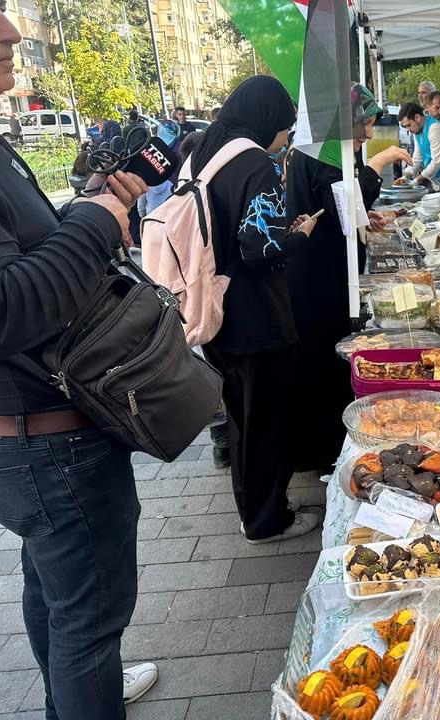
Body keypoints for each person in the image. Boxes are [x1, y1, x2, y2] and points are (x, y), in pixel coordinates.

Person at [0, 0, 159, 715]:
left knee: (56, 598)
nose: (10, 30)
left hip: (25, 441)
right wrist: (95, 221)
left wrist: (83, 211)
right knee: (88, 626)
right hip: (47, 448)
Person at [189, 76, 320, 544]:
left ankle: (253, 510)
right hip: (258, 319)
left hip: (218, 316)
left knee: (243, 421)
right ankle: (268, 519)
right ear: (267, 120)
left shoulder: (206, 156)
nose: (285, 140)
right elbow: (258, 249)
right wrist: (298, 235)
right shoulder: (255, 164)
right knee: (268, 424)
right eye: (285, 129)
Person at [285, 84, 412, 472]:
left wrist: (363, 217)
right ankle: (324, 452)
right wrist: (378, 165)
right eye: (366, 124)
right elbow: (338, 207)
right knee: (324, 360)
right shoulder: (324, 152)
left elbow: (345, 209)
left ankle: (321, 447)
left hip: (322, 269)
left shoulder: (324, 147)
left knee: (322, 360)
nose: (370, 134)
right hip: (319, 276)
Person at [399, 101, 440, 184]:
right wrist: (405, 177)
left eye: (409, 125)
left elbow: (437, 162)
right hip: (436, 179)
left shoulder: (435, 128)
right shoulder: (417, 131)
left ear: (417, 117)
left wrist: (416, 180)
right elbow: (417, 159)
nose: (408, 130)